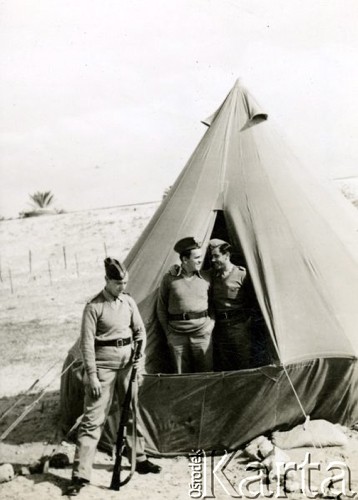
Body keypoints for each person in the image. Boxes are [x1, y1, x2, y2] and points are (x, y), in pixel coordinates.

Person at [66, 257, 161, 496]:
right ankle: (81, 474)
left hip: (128, 367)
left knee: (131, 413)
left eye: (125, 283)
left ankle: (139, 458)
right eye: (118, 283)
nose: (122, 287)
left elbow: (140, 331)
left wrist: (140, 359)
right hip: (103, 369)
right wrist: (93, 376)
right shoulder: (94, 307)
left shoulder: (128, 302)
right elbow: (87, 345)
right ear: (107, 280)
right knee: (92, 420)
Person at [156, 237, 214, 374]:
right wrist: (168, 333)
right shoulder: (169, 278)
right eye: (197, 258)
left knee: (206, 373)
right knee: (181, 374)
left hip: (202, 334)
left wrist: (211, 324)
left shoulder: (206, 277)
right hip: (177, 336)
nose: (201, 260)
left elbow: (213, 304)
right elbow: (161, 307)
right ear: (185, 260)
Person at [209, 239, 252, 371]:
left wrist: (247, 323)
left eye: (216, 256)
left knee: (244, 362)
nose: (213, 260)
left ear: (227, 255)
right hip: (220, 327)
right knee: (225, 364)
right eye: (211, 256)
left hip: (239, 327)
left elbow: (253, 301)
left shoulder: (241, 274)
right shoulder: (212, 275)